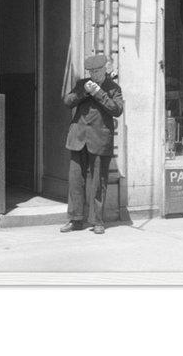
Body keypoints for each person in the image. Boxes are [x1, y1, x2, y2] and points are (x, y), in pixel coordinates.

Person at [60, 54, 124, 235]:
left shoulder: (113, 88)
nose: (93, 75)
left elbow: (117, 110)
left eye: (96, 71)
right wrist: (84, 92)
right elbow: (67, 101)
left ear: (105, 69)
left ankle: (97, 221)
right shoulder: (82, 84)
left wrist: (98, 94)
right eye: (91, 72)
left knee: (98, 182)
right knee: (75, 181)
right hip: (78, 138)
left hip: (100, 139)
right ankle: (75, 219)